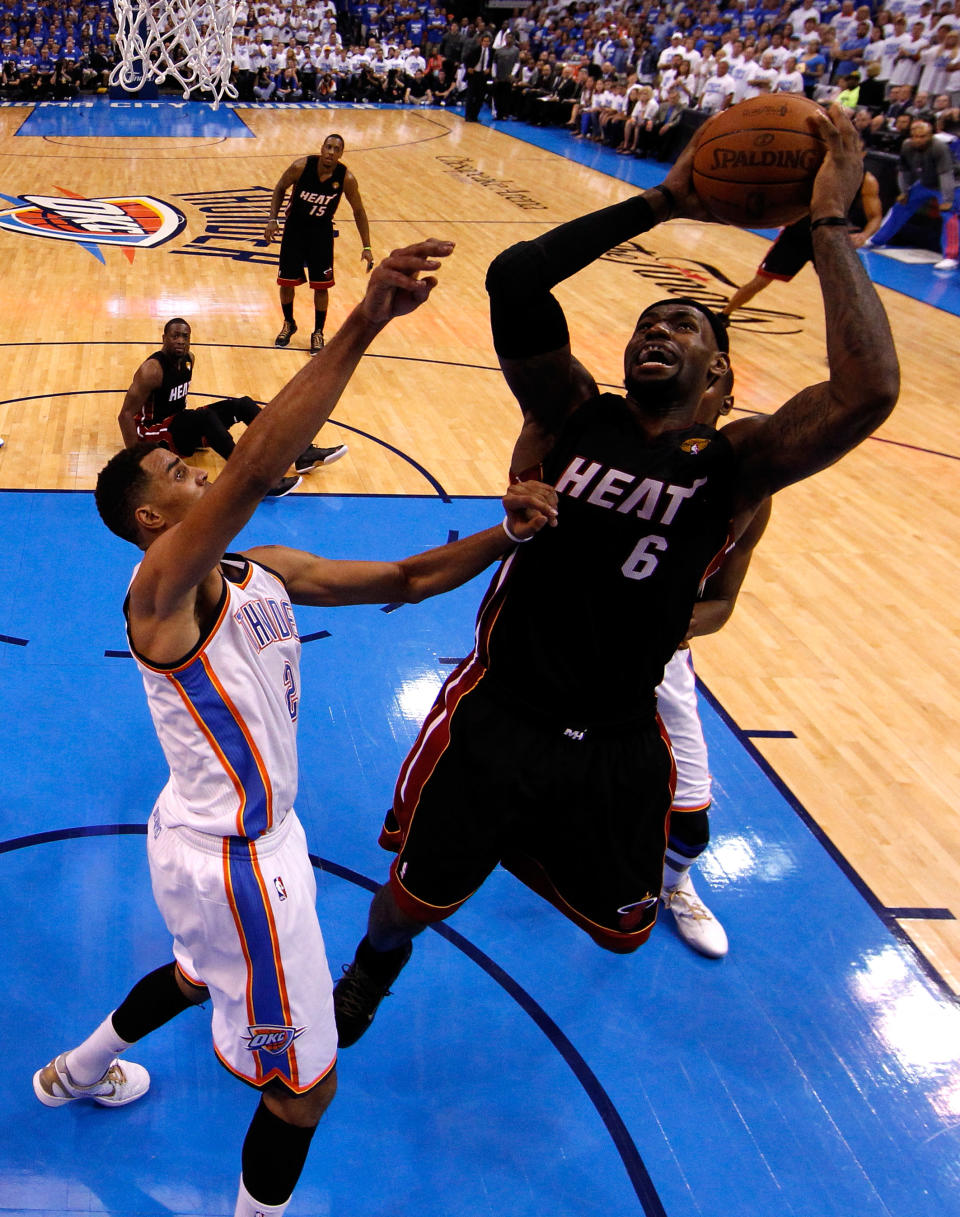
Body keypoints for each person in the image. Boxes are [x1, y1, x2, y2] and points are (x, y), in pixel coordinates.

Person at [331, 106, 899, 1047]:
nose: (658, 331)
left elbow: (867, 390)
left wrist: (829, 224)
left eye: (684, 326)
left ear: (722, 377)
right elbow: (517, 277)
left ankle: (510, 845)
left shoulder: (740, 467)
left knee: (623, 934)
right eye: (647, 322)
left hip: (617, 735)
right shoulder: (572, 414)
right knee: (406, 904)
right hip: (500, 709)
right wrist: (666, 199)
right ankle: (368, 975)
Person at [33, 239, 558, 1217]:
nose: (199, 468)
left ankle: (74, 1068)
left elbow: (404, 579)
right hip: (240, 859)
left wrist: (509, 535)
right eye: (178, 472)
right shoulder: (159, 592)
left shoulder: (261, 567)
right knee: (306, 1087)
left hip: (198, 835)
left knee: (195, 975)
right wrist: (361, 321)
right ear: (152, 518)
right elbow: (260, 460)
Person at [656, 366, 772, 958]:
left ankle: (674, 883)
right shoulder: (614, 448)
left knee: (692, 819)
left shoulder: (749, 492)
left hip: (657, 659)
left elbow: (721, 603)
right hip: (569, 644)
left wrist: (664, 623)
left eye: (721, 374)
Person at [117, 318, 347, 498]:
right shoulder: (152, 370)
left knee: (242, 404)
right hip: (153, 433)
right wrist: (136, 459)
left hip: (179, 427)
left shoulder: (189, 359)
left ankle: (302, 454)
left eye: (185, 336)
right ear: (164, 338)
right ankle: (252, 479)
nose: (180, 340)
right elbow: (125, 415)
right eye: (175, 336)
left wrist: (197, 432)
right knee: (204, 417)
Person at [720, 160, 883, 317]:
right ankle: (724, 315)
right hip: (798, 234)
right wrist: (783, 214)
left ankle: (856, 338)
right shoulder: (816, 168)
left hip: (829, 239)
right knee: (760, 281)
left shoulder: (866, 180)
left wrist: (864, 235)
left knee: (843, 292)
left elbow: (875, 216)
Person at [265, 133, 373, 353]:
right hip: (294, 230)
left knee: (321, 287)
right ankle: (288, 323)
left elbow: (359, 211)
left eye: (336, 149)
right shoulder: (301, 166)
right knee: (286, 281)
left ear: (341, 154)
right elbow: (279, 188)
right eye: (328, 147)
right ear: (322, 148)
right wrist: (272, 219)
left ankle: (318, 332)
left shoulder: (346, 178)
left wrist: (367, 246)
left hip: (321, 234)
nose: (331, 152)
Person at [863, 116, 960, 270]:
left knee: (950, 214)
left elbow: (946, 174)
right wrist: (905, 191)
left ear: (930, 136)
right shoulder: (907, 146)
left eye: (923, 137)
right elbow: (904, 171)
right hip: (926, 182)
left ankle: (951, 257)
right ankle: (877, 239)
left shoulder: (938, 147)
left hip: (951, 184)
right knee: (901, 205)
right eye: (915, 136)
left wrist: (948, 200)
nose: (918, 140)